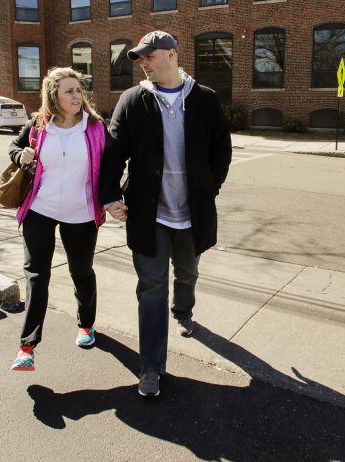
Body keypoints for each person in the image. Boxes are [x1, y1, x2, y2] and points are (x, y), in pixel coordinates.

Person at [99, 31, 232, 397]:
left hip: (193, 214)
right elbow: (113, 153)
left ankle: (184, 310)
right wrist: (110, 196)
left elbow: (222, 147)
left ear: (171, 55)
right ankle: (151, 367)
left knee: (187, 271)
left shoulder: (205, 99)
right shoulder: (132, 100)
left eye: (149, 56)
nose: (143, 63)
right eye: (141, 58)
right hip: (148, 214)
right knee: (151, 288)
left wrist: (210, 186)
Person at [9, 67, 107, 371]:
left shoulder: (96, 128)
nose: (77, 96)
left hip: (80, 212)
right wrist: (19, 155)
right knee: (37, 275)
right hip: (40, 209)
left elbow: (113, 165)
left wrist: (116, 198)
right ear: (54, 96)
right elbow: (14, 146)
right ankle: (27, 347)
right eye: (69, 91)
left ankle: (86, 324)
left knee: (81, 271)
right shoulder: (38, 125)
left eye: (78, 90)